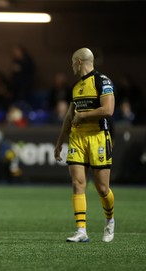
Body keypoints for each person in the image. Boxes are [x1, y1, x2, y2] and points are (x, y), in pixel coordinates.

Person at [54, 48, 115, 243]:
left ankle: (109, 220)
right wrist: (59, 143)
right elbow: (69, 117)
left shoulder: (102, 81)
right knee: (78, 183)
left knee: (102, 188)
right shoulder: (75, 87)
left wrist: (85, 115)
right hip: (77, 138)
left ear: (79, 62)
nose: (71, 66)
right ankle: (81, 231)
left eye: (73, 62)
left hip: (98, 137)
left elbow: (108, 109)